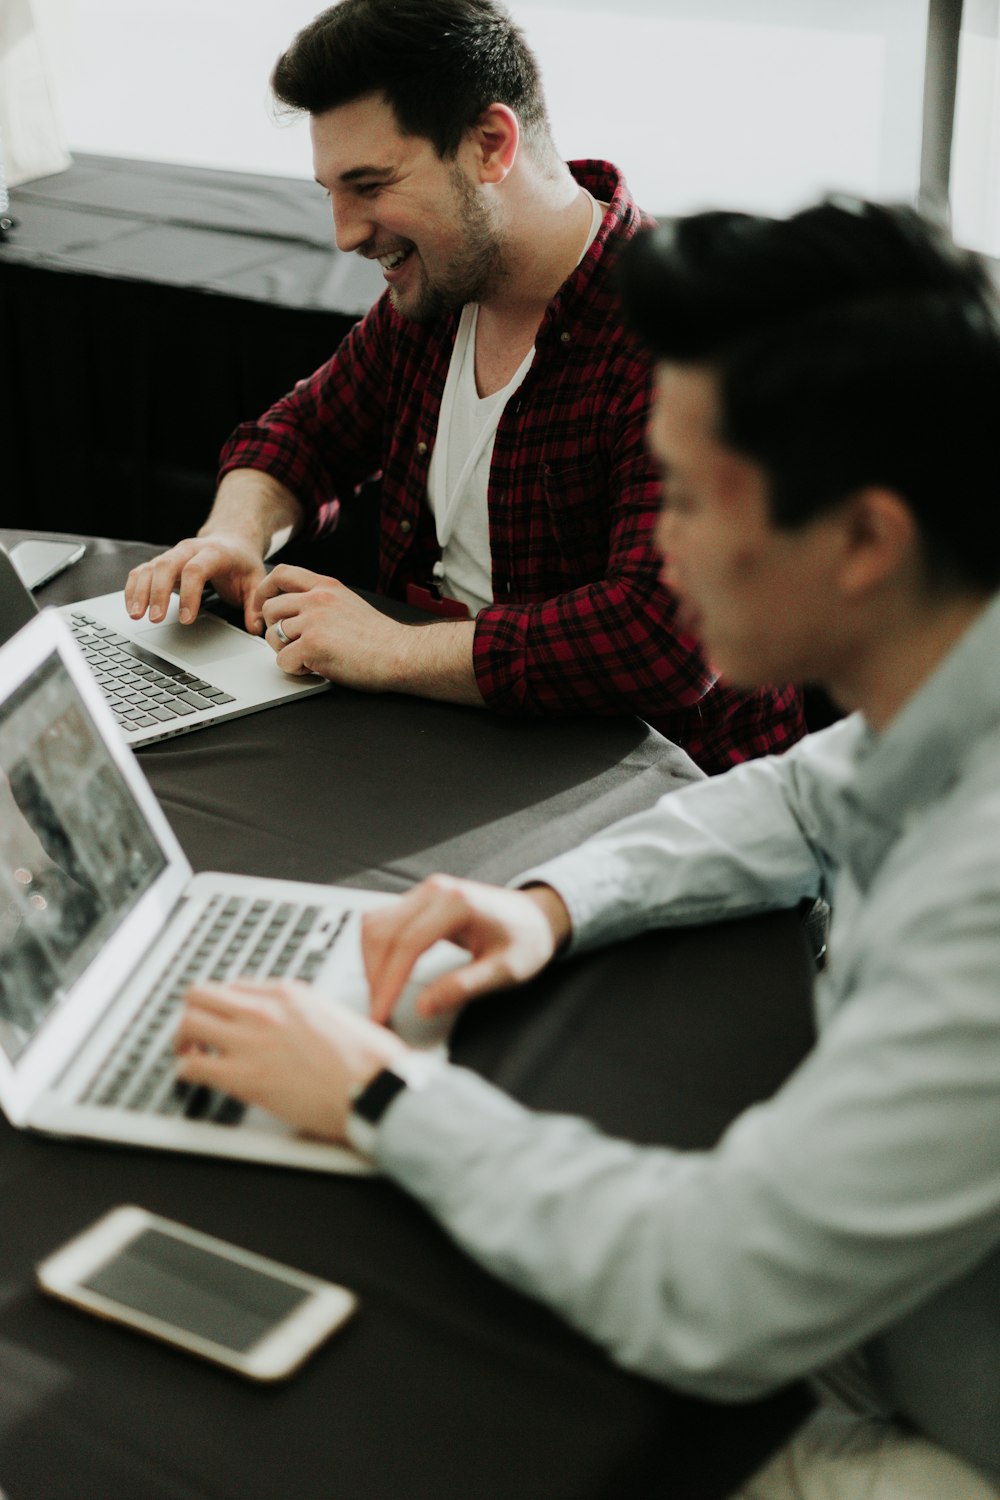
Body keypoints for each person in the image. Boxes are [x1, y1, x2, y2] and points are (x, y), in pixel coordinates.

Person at [175, 196, 1000, 1497]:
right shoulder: (956, 679)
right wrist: (553, 900)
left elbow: (711, 1286)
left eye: (679, 494)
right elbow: (800, 798)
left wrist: (385, 1094)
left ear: (864, 540)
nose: (654, 546)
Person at [122, 0, 803, 776]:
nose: (344, 233)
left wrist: (395, 650)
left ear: (490, 145)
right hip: (454, 747)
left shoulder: (687, 335)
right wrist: (233, 534)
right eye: (331, 192)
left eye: (370, 185)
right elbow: (302, 435)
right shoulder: (438, 296)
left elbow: (665, 638)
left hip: (657, 797)